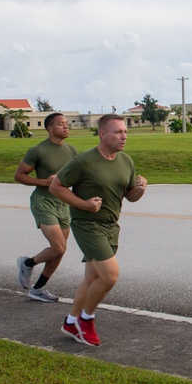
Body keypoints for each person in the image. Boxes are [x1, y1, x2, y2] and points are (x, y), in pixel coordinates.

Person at [50, 114, 147, 346]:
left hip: (111, 225)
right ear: (102, 134)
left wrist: (141, 189)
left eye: (125, 131)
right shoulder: (84, 161)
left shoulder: (126, 161)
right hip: (87, 225)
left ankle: (71, 322)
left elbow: (130, 196)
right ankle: (86, 319)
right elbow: (56, 186)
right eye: (117, 132)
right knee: (110, 275)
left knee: (92, 278)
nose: (124, 136)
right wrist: (83, 204)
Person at [14, 112, 78, 303]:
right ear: (50, 128)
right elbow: (19, 175)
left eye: (67, 123)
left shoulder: (71, 150)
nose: (66, 127)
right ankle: (27, 263)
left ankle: (38, 288)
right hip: (43, 202)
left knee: (60, 249)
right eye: (61, 124)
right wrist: (44, 181)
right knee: (58, 246)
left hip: (63, 203)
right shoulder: (38, 150)